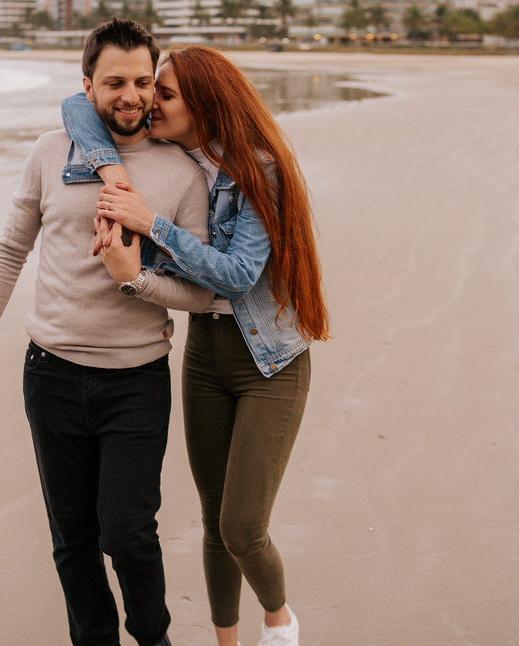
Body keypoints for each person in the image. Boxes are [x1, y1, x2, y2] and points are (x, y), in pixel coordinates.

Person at [61, 44, 330, 646]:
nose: (149, 103)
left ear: (204, 104)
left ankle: (280, 621)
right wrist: (113, 175)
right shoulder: (180, 159)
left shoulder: (259, 169)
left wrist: (149, 222)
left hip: (270, 363)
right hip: (206, 354)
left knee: (242, 528)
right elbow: (77, 106)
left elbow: (237, 276)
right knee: (213, 522)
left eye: (165, 93)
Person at [0, 19, 216, 646]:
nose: (131, 96)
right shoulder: (51, 152)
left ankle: (154, 639)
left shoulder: (182, 172)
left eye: (142, 82)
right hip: (50, 374)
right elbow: (9, 250)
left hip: (137, 381)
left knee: (128, 534)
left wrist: (136, 280)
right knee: (72, 541)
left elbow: (202, 291)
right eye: (114, 83)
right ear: (87, 85)